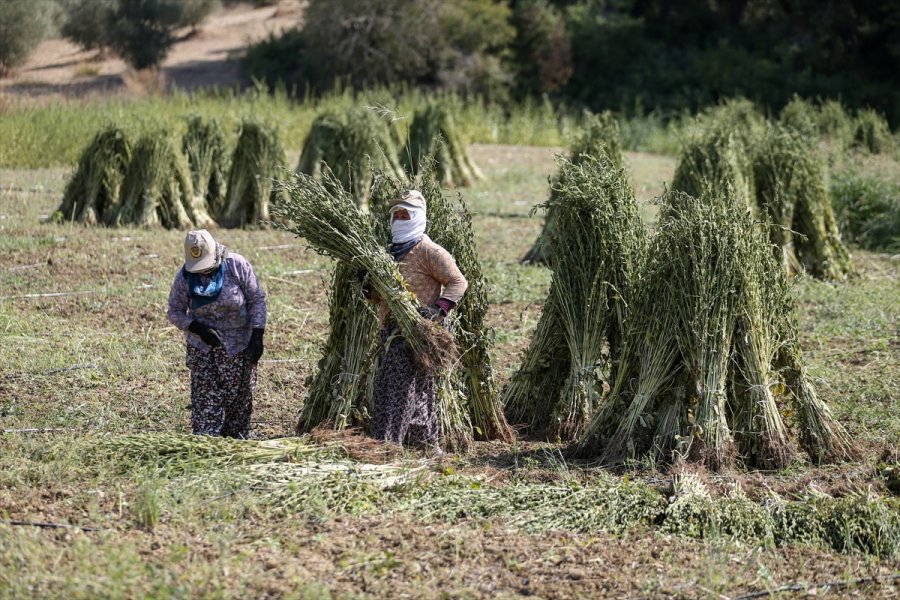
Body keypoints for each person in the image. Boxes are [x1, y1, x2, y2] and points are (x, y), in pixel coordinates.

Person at [366, 190, 468, 453]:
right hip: (392, 330)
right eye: (396, 214)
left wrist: (438, 309)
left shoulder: (429, 250)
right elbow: (379, 298)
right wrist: (367, 287)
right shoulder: (388, 253)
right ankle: (424, 446)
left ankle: (389, 445)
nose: (400, 218)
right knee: (401, 388)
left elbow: (458, 282)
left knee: (403, 389)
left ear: (418, 217)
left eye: (406, 213)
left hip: (421, 332)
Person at [167, 229, 266, 438]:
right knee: (206, 402)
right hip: (204, 349)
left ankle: (234, 444)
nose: (203, 272)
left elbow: (256, 299)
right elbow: (174, 311)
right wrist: (198, 328)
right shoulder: (186, 276)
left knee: (239, 400)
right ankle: (207, 444)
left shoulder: (237, 266)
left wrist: (258, 335)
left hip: (239, 346)